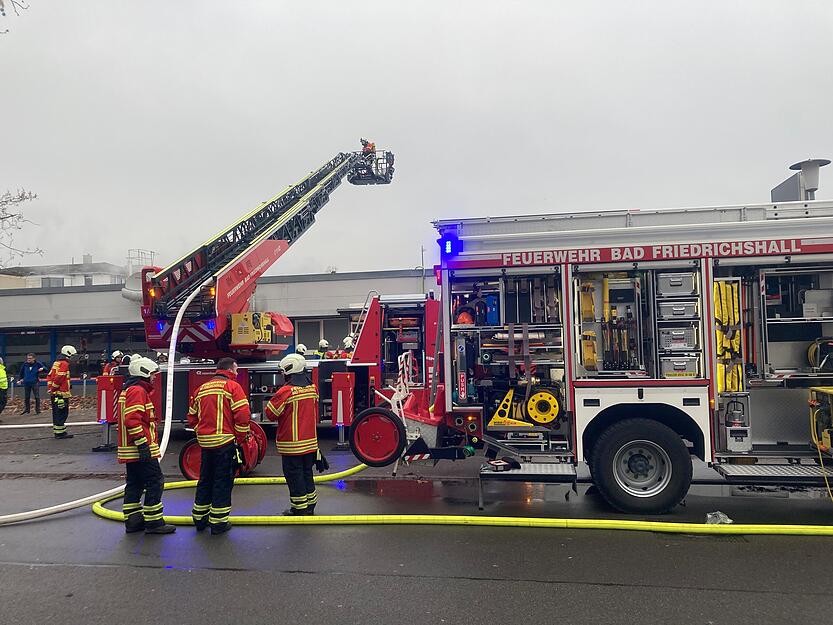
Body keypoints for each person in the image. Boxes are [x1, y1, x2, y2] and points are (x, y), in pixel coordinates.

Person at [187, 357, 251, 534]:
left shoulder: (201, 389)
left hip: (205, 444)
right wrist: (240, 437)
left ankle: (200, 519)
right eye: (236, 370)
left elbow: (191, 417)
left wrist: (202, 431)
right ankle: (218, 523)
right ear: (230, 370)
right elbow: (243, 415)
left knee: (205, 479)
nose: (237, 373)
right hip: (224, 442)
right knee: (222, 481)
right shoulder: (232, 387)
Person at [117, 356, 175, 535]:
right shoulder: (137, 391)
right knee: (155, 481)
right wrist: (143, 444)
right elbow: (132, 419)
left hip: (131, 450)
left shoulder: (129, 390)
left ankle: (133, 521)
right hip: (140, 448)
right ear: (144, 373)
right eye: (152, 374)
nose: (154, 378)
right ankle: (154, 522)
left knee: (135, 483)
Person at [265, 353, 321, 515]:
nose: (283, 375)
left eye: (283, 372)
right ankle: (310, 504)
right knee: (306, 473)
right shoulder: (313, 388)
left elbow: (270, 414)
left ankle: (299, 508)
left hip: (291, 444)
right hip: (310, 443)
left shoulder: (285, 392)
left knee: (294, 476)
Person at [46, 345, 76, 439]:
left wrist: (52, 389)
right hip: (60, 393)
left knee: (57, 412)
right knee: (62, 412)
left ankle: (60, 432)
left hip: (56, 393)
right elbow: (59, 378)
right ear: (68, 354)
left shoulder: (57, 362)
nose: (72, 358)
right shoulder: (64, 364)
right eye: (72, 355)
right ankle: (60, 434)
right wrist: (54, 388)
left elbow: (51, 376)